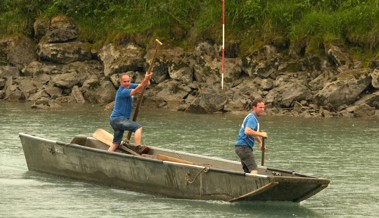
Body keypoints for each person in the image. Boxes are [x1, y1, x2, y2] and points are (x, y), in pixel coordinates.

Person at [108, 72, 153, 153]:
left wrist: (148, 79)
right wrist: (145, 79)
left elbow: (144, 86)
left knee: (116, 143)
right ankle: (138, 147)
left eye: (128, 81)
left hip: (116, 120)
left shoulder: (130, 85)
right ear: (121, 82)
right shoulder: (122, 91)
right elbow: (136, 91)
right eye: (124, 82)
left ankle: (107, 155)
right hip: (118, 119)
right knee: (138, 128)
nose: (127, 83)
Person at [235, 98, 268, 174]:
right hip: (243, 147)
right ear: (254, 107)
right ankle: (255, 185)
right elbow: (247, 131)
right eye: (260, 107)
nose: (262, 109)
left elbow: (253, 133)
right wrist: (261, 134)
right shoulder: (252, 118)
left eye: (263, 108)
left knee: (248, 171)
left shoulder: (253, 118)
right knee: (254, 170)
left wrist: (260, 143)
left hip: (240, 147)